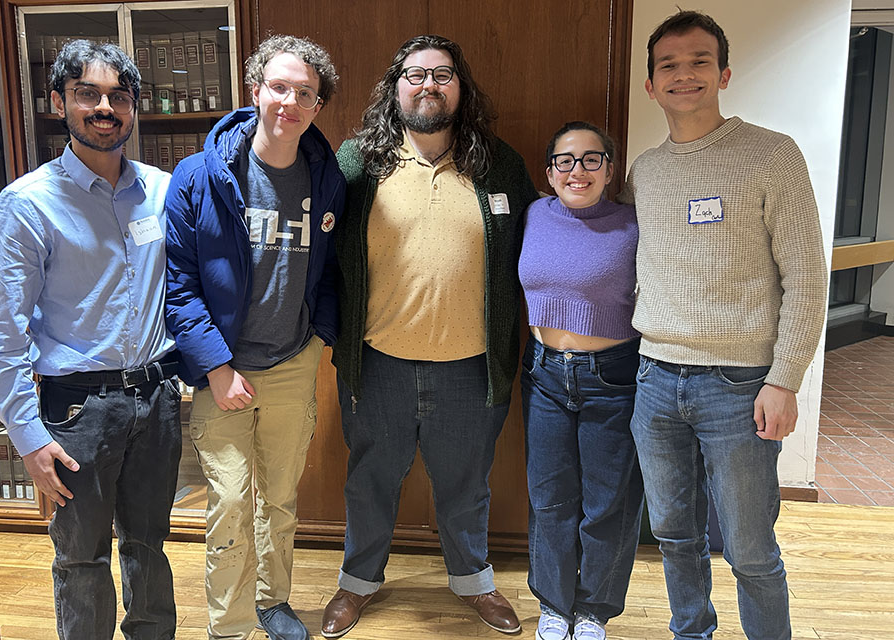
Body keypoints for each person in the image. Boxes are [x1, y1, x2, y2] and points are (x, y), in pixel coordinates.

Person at [320, 34, 539, 639]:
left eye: (443, 75)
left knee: (467, 485)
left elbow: (537, 249)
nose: (428, 85)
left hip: (473, 366)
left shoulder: (500, 165)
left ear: (460, 89)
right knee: (369, 481)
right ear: (395, 88)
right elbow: (321, 252)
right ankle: (357, 583)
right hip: (377, 362)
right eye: (415, 75)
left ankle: (474, 582)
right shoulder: (357, 162)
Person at [622, 10, 828, 640]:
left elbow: (807, 277)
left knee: (749, 548)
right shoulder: (645, 172)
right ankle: (693, 633)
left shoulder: (772, 155)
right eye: (669, 66)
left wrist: (784, 379)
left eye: (699, 62)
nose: (684, 75)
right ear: (652, 85)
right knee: (674, 537)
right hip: (654, 379)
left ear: (724, 73)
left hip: (740, 387)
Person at [0, 40, 181, 640]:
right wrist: (27, 437)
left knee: (150, 549)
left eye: (118, 96)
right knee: (82, 560)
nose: (104, 108)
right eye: (87, 94)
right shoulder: (27, 204)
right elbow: (3, 335)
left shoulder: (166, 192)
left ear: (135, 108)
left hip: (156, 401)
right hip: (75, 411)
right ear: (58, 102)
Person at [164, 34, 344, 640]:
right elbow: (180, 285)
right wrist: (216, 367)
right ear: (256, 89)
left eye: (305, 93)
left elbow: (330, 273)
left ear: (318, 105)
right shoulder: (199, 176)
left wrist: (319, 341)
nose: (289, 102)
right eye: (279, 87)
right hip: (224, 370)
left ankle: (275, 603)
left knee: (281, 500)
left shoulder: (328, 179)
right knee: (231, 505)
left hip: (293, 363)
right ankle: (231, 624)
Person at [519, 121, 644, 640]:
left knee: (608, 502)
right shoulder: (533, 214)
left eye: (592, 159)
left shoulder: (633, 224)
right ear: (549, 172)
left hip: (612, 377)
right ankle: (554, 603)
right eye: (565, 161)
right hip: (544, 372)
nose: (578, 170)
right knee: (549, 497)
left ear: (610, 169)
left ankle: (593, 610)